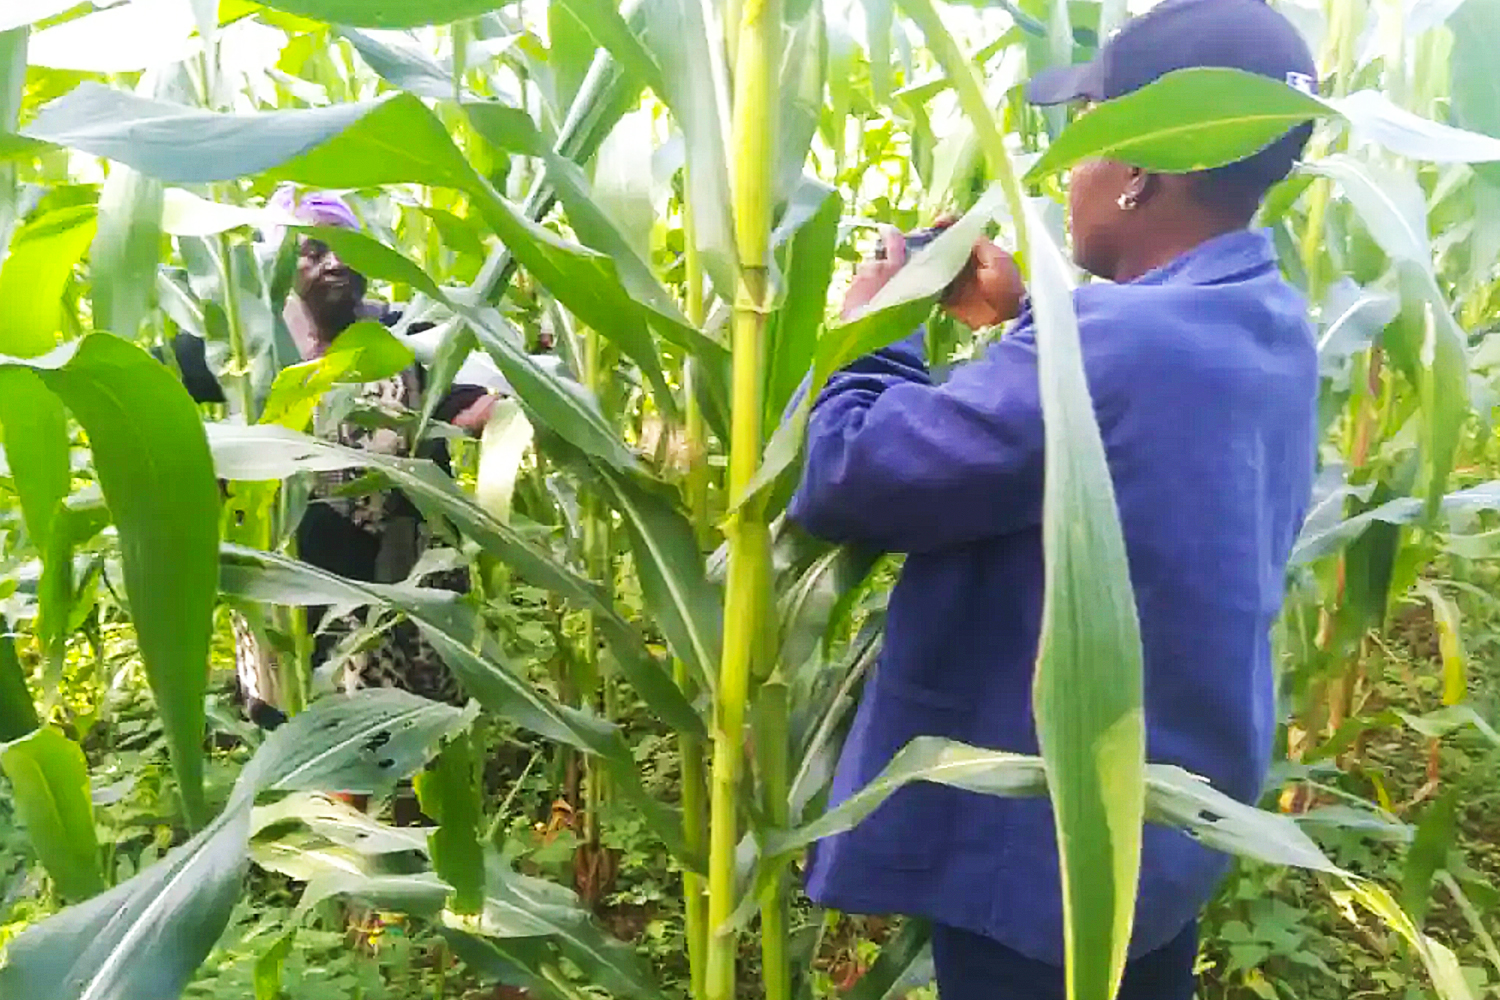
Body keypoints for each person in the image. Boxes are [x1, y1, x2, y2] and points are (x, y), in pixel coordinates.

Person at [785, 0, 1319, 997]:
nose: (1068, 173)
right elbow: (1143, 409)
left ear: (1141, 170)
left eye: (1084, 140)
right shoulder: (1269, 317)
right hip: (1162, 832)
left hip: (1043, 846)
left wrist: (877, 328)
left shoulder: (1108, 353)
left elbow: (847, 473)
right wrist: (1036, 312)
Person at [161, 186, 499, 730]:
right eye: (313, 251)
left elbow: (469, 401)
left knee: (416, 735)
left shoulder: (403, 335)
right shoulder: (241, 352)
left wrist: (503, 410)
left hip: (400, 589)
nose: (336, 262)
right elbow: (150, 400)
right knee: (302, 739)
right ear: (276, 266)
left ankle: (416, 809)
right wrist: (213, 465)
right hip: (285, 595)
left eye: (348, 248)